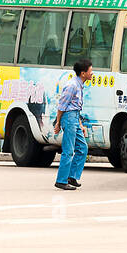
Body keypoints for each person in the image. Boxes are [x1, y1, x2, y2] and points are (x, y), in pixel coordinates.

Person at [53, 59, 93, 191]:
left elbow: (75, 107)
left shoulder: (80, 85)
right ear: (83, 73)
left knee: (82, 148)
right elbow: (62, 106)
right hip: (68, 118)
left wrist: (80, 123)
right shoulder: (72, 86)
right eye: (90, 71)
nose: (92, 73)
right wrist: (58, 123)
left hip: (75, 117)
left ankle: (72, 177)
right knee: (68, 150)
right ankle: (61, 180)